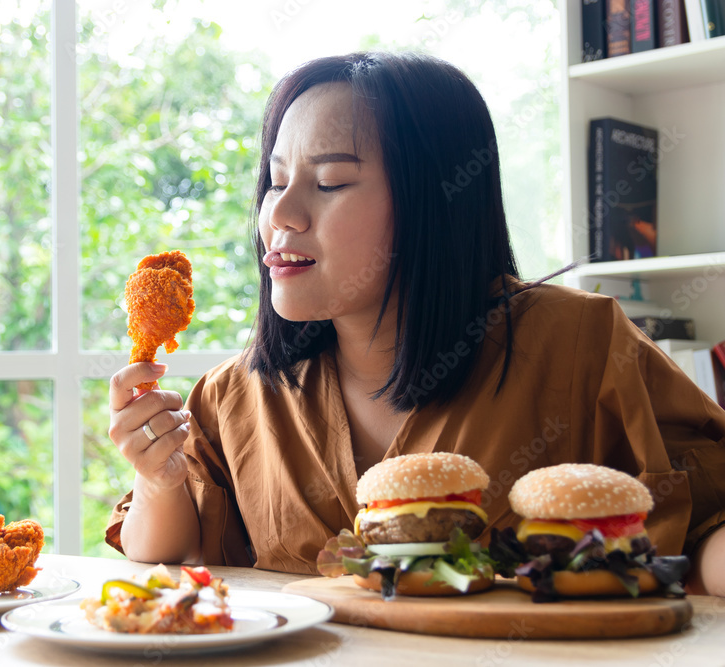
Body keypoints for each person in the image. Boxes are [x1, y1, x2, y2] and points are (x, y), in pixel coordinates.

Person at [105, 52, 725, 596]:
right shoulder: (235, 393)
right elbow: (167, 561)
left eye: (329, 182)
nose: (282, 215)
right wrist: (156, 477)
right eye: (275, 180)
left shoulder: (582, 343)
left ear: (435, 202)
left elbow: (706, 519)